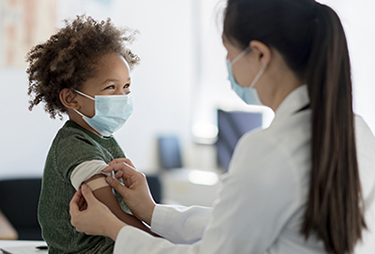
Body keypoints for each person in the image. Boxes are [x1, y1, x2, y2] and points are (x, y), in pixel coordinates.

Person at [69, 0, 375, 253]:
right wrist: (151, 211)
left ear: (260, 54)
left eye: (229, 53)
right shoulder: (356, 130)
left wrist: (113, 228)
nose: (227, 65)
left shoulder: (269, 148)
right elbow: (238, 224)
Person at [27, 15, 156, 253]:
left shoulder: (101, 138)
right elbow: (113, 216)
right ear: (71, 98)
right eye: (110, 87)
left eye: (126, 86)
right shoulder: (74, 145)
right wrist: (164, 243)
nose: (123, 97)